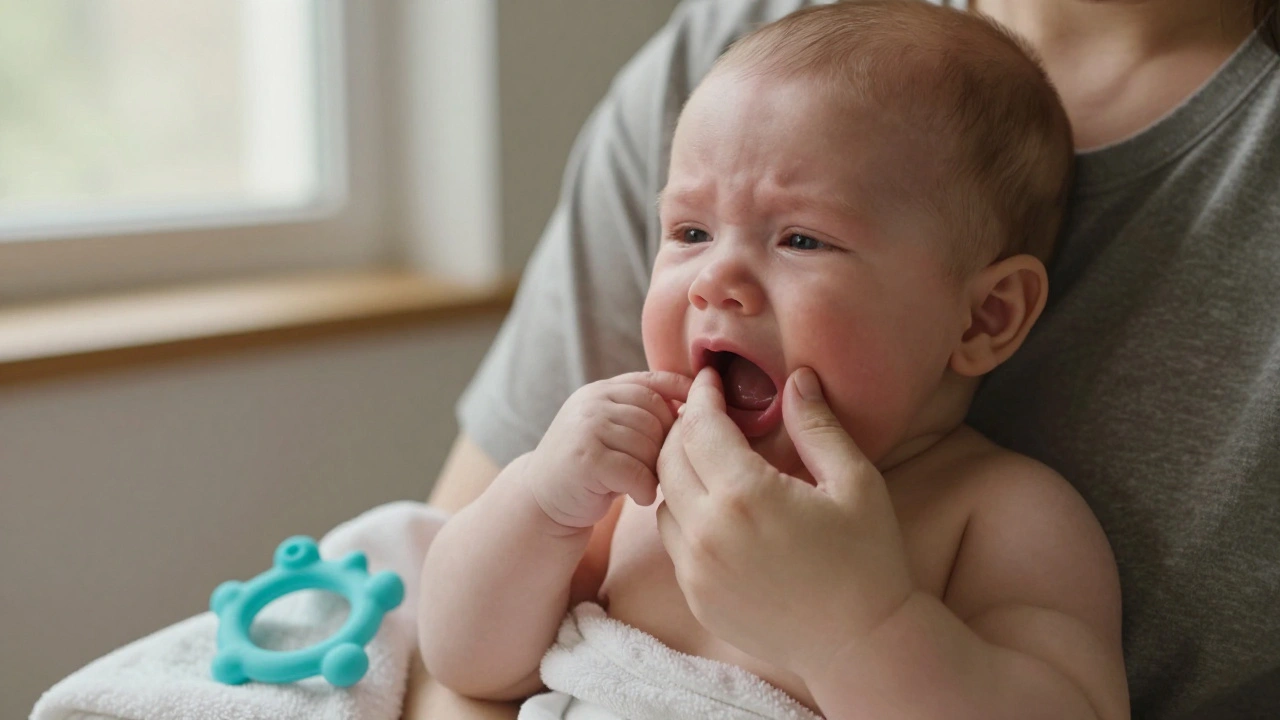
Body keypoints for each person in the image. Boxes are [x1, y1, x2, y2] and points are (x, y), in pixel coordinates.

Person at [404, 0, 1280, 718]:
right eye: (690, 232)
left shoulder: (996, 518)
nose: (718, 281)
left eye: (801, 239)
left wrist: (856, 630)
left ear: (984, 316)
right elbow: (466, 662)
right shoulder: (638, 484)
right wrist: (538, 503)